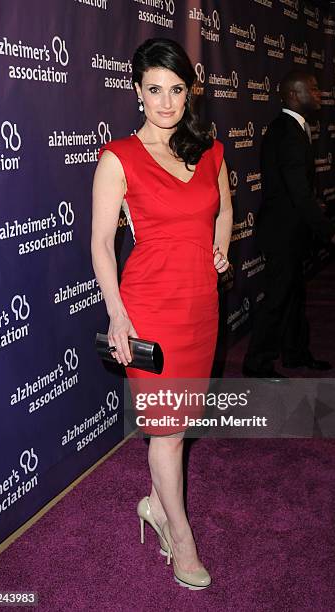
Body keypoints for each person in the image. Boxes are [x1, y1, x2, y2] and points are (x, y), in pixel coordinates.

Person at [91, 38, 232, 589]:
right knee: (167, 432)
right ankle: (182, 536)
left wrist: (220, 249)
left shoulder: (210, 151)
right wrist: (118, 316)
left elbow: (224, 207)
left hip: (201, 307)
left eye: (177, 89)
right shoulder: (118, 157)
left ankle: (153, 503)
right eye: (155, 89)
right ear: (137, 92)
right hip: (149, 308)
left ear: (189, 91)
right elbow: (102, 243)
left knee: (177, 425)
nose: (167, 102)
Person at [242, 70, 335, 379]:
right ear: (293, 95)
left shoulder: (295, 127)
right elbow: (298, 193)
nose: (319, 94)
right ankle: (255, 363)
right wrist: (331, 232)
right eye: (312, 89)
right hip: (281, 232)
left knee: (293, 296)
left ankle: (295, 353)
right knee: (277, 298)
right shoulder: (287, 131)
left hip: (291, 230)